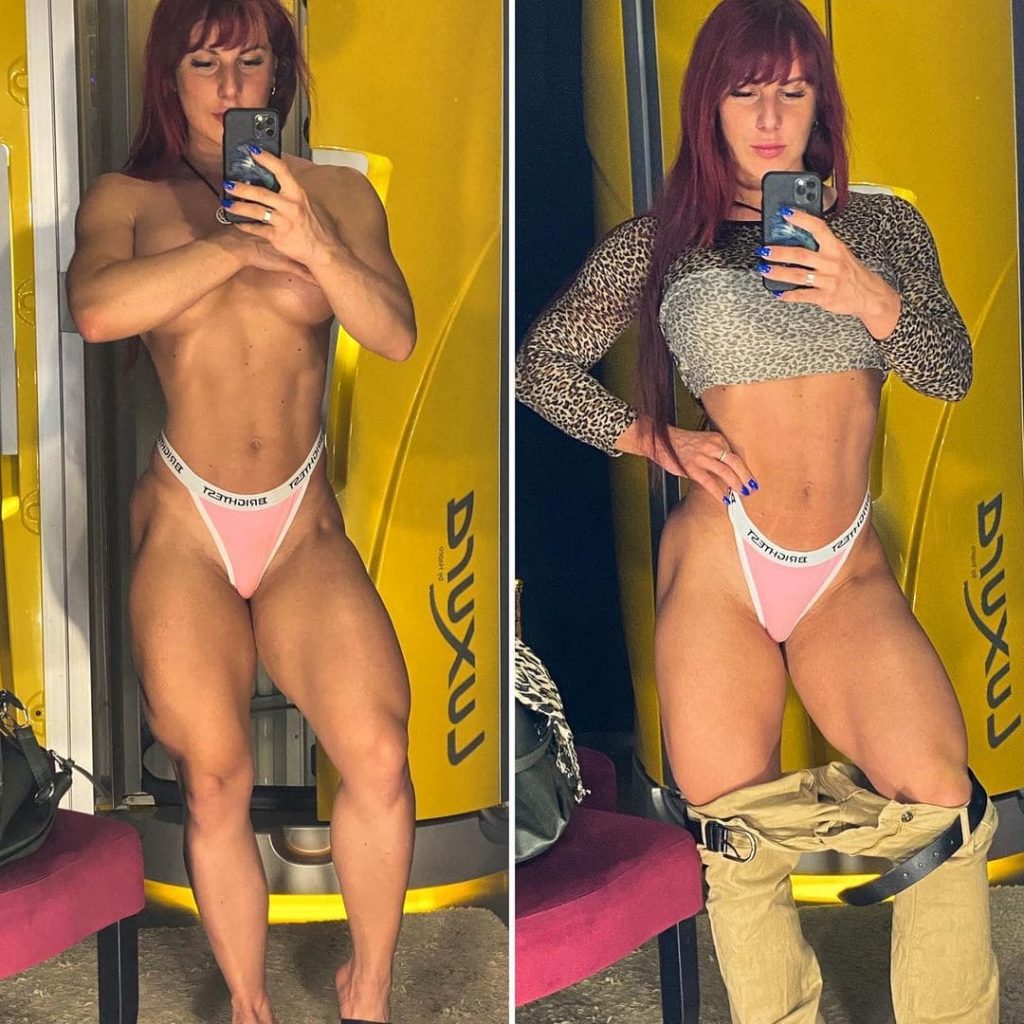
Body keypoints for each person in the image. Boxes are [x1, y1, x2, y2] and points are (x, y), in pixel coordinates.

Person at [516, 1, 998, 1021]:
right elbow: (540, 366)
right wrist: (654, 438)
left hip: (842, 568)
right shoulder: (660, 244)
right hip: (722, 565)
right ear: (710, 104)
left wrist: (868, 297)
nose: (770, 116)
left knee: (941, 801)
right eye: (745, 92)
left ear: (821, 101)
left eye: (792, 89)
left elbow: (950, 372)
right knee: (737, 838)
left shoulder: (881, 229)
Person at [66, 2, 415, 1022]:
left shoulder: (335, 194)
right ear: (168, 82)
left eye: (249, 62)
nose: (228, 88)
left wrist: (308, 239)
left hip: (301, 521)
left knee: (380, 754)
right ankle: (250, 1001)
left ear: (280, 75)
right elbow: (97, 311)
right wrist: (233, 243)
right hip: (189, 521)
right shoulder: (129, 200)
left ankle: (368, 992)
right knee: (214, 775)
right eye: (203, 64)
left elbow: (393, 331)